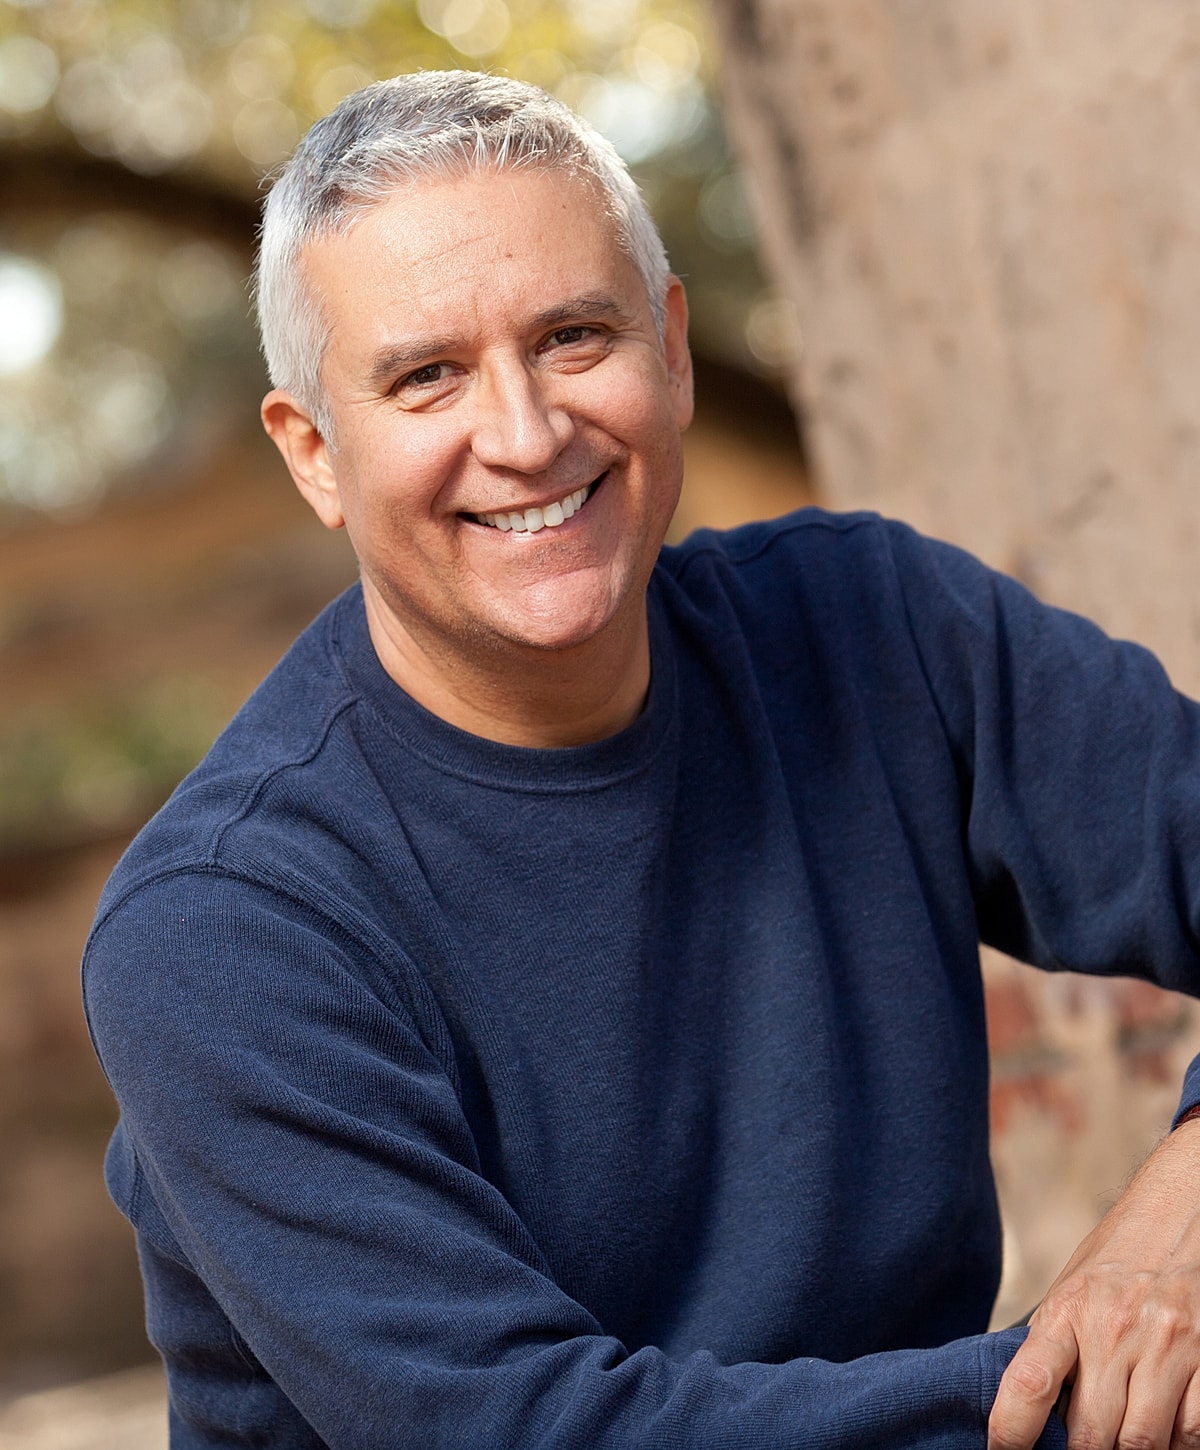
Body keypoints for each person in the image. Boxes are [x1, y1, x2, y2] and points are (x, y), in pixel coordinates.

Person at [82, 70, 1200, 1449]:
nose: (526, 432)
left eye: (571, 335)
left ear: (671, 350)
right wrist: (1078, 1386)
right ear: (314, 452)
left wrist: (1183, 1219)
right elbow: (529, 1432)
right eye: (426, 373)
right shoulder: (226, 926)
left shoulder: (884, 633)